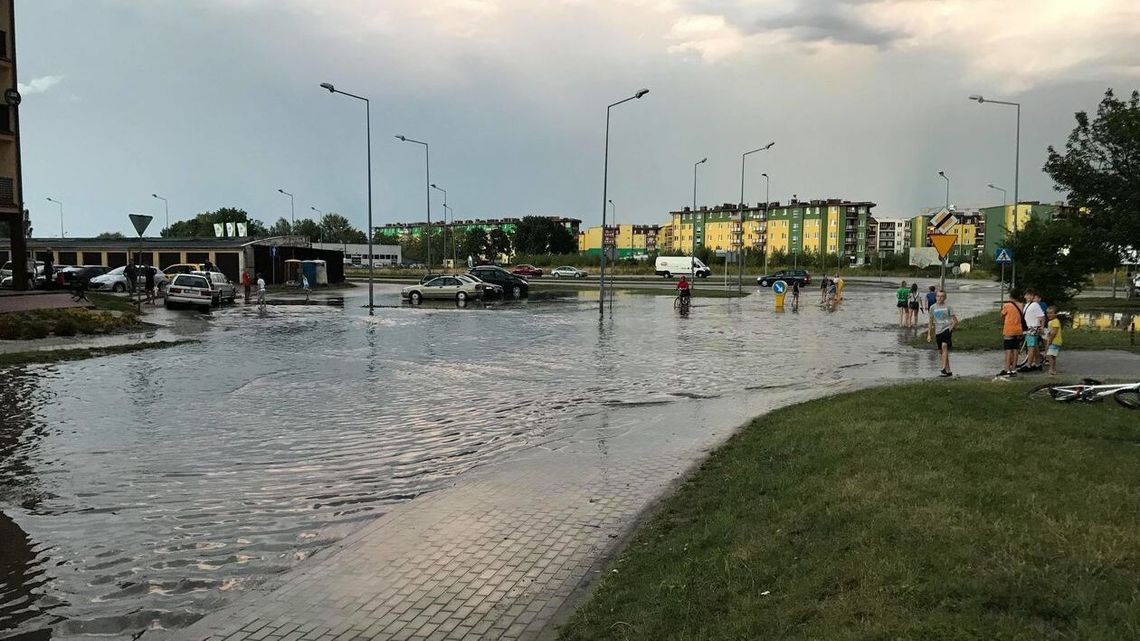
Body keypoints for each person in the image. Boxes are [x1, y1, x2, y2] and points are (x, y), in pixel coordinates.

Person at [928, 290, 958, 377]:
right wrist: (929, 334)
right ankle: (948, 371)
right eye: (938, 296)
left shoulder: (948, 307)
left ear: (945, 298)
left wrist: (950, 329)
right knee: (941, 351)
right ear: (936, 297)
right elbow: (930, 321)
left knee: (944, 346)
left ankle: (943, 368)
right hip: (938, 331)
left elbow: (955, 321)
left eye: (942, 296)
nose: (939, 298)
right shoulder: (932, 307)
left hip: (946, 329)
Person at [999, 295, 1025, 377]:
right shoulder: (1021, 305)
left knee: (1008, 350)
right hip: (1018, 329)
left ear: (1011, 297)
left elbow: (1002, 315)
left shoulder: (1007, 305)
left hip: (1009, 329)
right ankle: (1014, 369)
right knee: (1016, 349)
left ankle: (1007, 369)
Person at [1020, 289, 1046, 372]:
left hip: (1033, 327)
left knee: (1030, 346)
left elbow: (1042, 317)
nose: (1029, 297)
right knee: (1035, 346)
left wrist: (1041, 327)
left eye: (1031, 295)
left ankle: (1029, 365)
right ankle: (1038, 364)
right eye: (1027, 295)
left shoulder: (1035, 305)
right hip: (1029, 327)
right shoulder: (1028, 305)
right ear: (1025, 296)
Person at [1043, 306, 1062, 375]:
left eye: (1051, 313)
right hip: (1053, 341)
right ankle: (1053, 369)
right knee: (1052, 356)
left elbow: (1053, 333)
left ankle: (1051, 369)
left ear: (1055, 314)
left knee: (1050, 356)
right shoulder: (1051, 322)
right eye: (1047, 313)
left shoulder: (1055, 322)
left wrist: (1049, 342)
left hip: (1054, 341)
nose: (1049, 315)